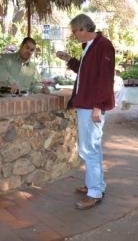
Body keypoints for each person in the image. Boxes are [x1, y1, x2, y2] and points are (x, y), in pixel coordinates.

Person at [56, 14, 115, 210]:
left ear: (83, 28)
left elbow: (105, 79)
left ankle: (95, 192)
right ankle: (96, 184)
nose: (74, 35)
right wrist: (70, 59)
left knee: (89, 149)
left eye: (75, 31)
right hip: (87, 104)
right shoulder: (91, 46)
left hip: (91, 106)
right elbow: (86, 72)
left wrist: (98, 105)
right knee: (91, 148)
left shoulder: (103, 46)